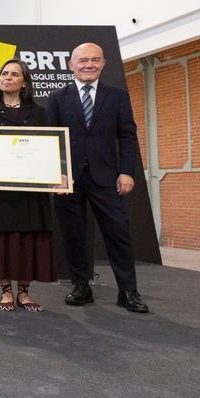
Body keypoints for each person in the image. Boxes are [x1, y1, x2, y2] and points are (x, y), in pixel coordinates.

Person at [46, 42, 149, 313]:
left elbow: (127, 135)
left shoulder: (117, 97)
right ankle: (81, 287)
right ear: (71, 65)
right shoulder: (57, 98)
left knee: (118, 234)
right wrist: (56, 175)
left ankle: (128, 292)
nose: (88, 65)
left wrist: (127, 171)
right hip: (69, 180)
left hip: (108, 179)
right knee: (74, 236)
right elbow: (49, 140)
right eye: (82, 60)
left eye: (94, 60)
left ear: (103, 63)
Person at [0, 59, 54, 312]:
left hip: (31, 189)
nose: (7, 78)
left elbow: (49, 148)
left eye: (14, 74)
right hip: (0, 191)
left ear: (24, 82)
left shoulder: (39, 112)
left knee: (27, 239)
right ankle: (6, 291)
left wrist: (55, 175)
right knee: (3, 239)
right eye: (4, 74)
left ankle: (24, 292)